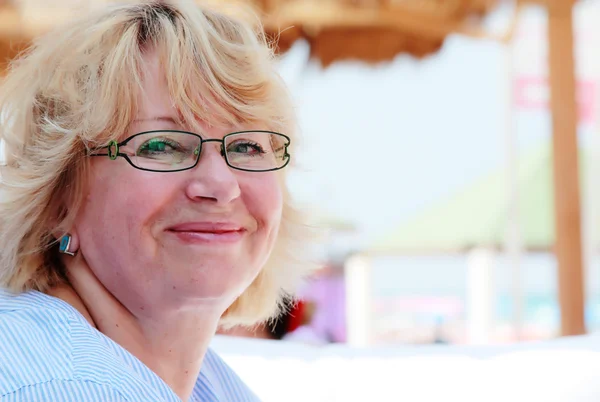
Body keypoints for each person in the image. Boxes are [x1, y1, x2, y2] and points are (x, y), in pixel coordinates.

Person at [0, 1, 314, 401]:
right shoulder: (64, 387)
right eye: (161, 145)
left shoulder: (203, 384)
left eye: (248, 146)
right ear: (59, 197)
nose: (221, 184)